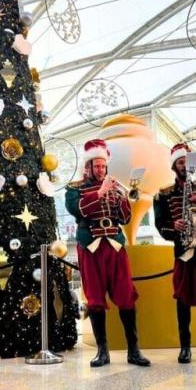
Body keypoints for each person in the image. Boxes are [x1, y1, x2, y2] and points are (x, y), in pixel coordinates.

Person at [65, 139, 150, 368]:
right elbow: (77, 209)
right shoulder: (75, 188)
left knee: (126, 296)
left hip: (114, 245)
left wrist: (123, 197)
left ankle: (134, 349)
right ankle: (102, 351)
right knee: (94, 298)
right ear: (88, 166)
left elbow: (124, 219)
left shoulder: (115, 186)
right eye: (97, 166)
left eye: (103, 166)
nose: (101, 170)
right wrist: (101, 192)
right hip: (90, 246)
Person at [154, 143, 196, 363]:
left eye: (187, 162)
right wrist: (175, 225)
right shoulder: (163, 194)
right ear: (174, 166)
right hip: (183, 252)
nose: (184, 166)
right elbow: (160, 225)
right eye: (180, 162)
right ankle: (185, 347)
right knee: (182, 299)